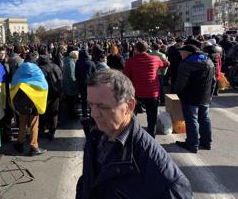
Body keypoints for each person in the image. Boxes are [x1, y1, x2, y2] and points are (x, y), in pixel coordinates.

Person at [76, 69, 192, 198]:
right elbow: (88, 180)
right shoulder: (95, 135)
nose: (93, 114)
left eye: (103, 107)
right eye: (90, 105)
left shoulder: (163, 176)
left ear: (129, 106)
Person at [124, 41, 169, 137]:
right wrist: (166, 62)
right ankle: (151, 137)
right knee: (152, 117)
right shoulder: (155, 59)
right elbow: (165, 64)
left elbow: (125, 77)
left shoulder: (130, 61)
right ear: (147, 48)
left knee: (131, 116)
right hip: (152, 93)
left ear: (135, 49)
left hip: (136, 94)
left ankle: (132, 135)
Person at [174, 45, 214, 153]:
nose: (180, 54)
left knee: (192, 120)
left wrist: (179, 94)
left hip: (190, 97)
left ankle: (192, 144)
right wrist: (210, 95)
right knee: (204, 119)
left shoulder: (186, 64)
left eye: (182, 52)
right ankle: (206, 142)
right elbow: (213, 81)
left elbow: (180, 84)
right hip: (205, 96)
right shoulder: (209, 61)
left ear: (187, 53)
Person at [38, 51, 63, 140]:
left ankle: (42, 129)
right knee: (54, 112)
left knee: (43, 111)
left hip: (46, 93)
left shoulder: (41, 69)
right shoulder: (56, 66)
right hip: (56, 92)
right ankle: (52, 131)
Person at [75, 49, 96, 118]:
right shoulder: (91, 63)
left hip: (81, 83)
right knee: (91, 99)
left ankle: (84, 114)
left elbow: (76, 74)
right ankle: (91, 113)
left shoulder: (78, 63)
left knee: (84, 99)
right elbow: (95, 74)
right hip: (90, 83)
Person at [62, 50, 79, 119]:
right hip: (70, 85)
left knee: (69, 102)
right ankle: (72, 115)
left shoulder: (67, 61)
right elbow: (72, 76)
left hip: (66, 84)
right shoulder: (71, 63)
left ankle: (71, 114)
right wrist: (75, 87)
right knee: (71, 102)